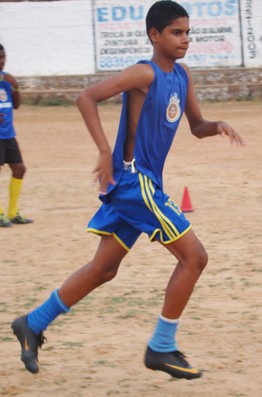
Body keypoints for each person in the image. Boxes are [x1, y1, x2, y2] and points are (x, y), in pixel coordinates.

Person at [11, 0, 245, 379]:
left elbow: (196, 125)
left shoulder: (182, 76)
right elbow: (85, 97)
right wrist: (105, 151)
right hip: (134, 182)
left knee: (104, 269)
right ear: (155, 35)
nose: (185, 39)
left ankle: (33, 323)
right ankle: (162, 347)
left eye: (188, 32)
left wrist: (218, 124)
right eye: (176, 32)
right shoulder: (143, 73)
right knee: (194, 258)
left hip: (145, 185)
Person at [0, 43, 33, 227]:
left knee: (19, 169)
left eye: (3, 57)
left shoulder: (6, 80)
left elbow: (16, 105)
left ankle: (12, 213)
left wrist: (16, 87)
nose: (2, 61)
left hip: (8, 134)